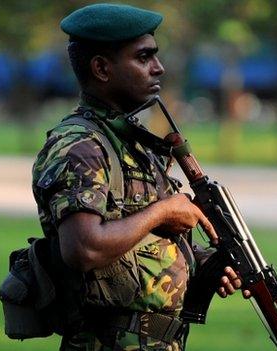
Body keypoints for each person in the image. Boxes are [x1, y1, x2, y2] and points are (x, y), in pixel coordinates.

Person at [32, 4, 246, 350]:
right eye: (144, 57)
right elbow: (84, 247)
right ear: (101, 68)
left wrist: (199, 261)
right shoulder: (80, 146)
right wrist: (164, 211)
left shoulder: (130, 142)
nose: (158, 68)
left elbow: (135, 235)